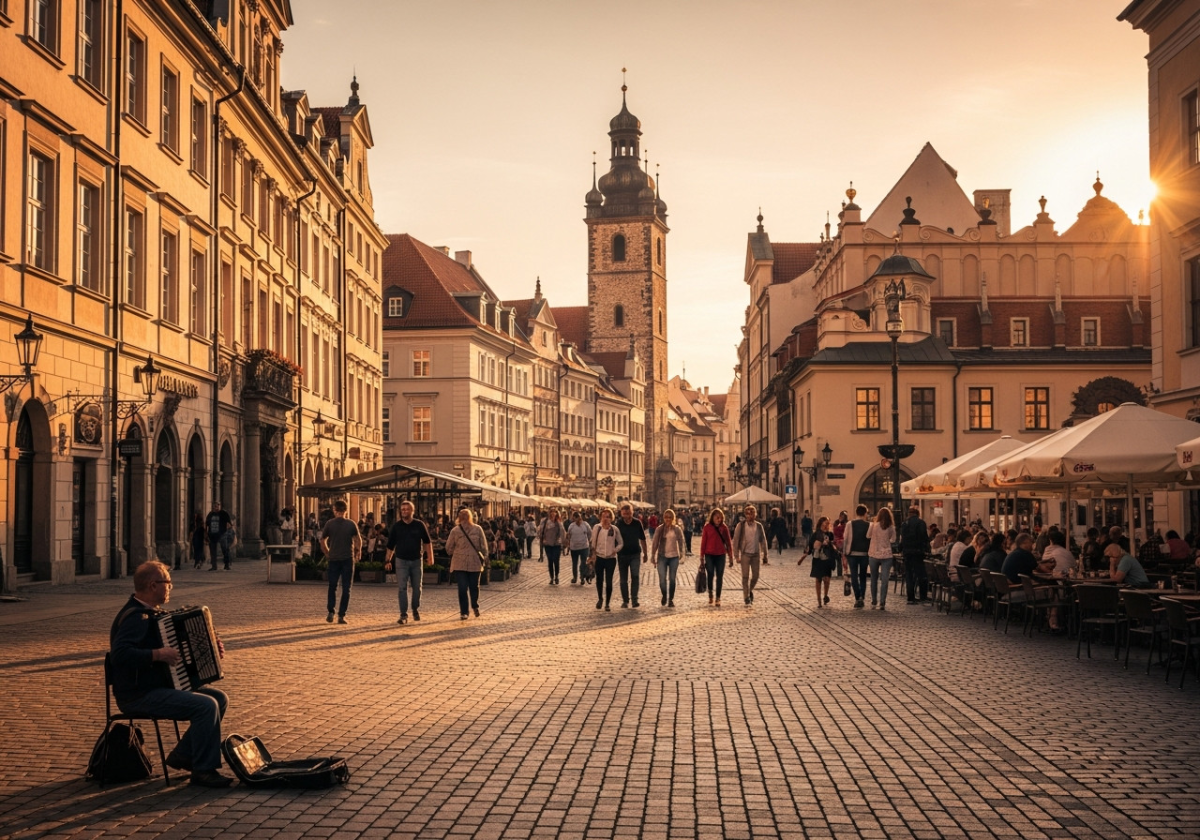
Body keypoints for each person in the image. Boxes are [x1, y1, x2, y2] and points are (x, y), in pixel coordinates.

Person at [109, 561, 232, 787]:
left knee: (219, 698)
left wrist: (212, 646)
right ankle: (204, 770)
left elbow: (181, 652)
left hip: (157, 686)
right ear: (153, 585)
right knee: (206, 706)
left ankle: (185, 756)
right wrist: (158, 654)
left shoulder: (153, 615)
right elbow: (120, 655)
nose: (171, 588)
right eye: (168, 583)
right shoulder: (136, 618)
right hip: (138, 694)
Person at [385, 500, 433, 625]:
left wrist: (430, 557)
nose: (404, 511)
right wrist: (387, 560)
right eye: (402, 510)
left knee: (417, 588)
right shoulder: (396, 526)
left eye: (407, 509)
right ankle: (403, 615)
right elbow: (390, 545)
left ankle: (415, 608)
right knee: (402, 588)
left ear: (412, 511)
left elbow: (427, 542)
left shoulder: (419, 525)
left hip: (417, 560)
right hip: (401, 561)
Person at [321, 499, 362, 624]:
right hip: (347, 559)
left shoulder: (329, 524)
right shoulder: (351, 524)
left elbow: (322, 540)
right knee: (346, 588)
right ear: (346, 510)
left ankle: (330, 611)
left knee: (332, 586)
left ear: (334, 510)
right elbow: (358, 539)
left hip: (333, 559)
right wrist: (358, 551)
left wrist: (328, 553)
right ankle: (341, 615)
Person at [445, 508, 489, 619]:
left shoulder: (478, 529)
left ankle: (474, 605)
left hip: (474, 563)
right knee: (462, 587)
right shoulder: (455, 531)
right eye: (462, 516)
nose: (464, 518)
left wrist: (484, 555)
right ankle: (464, 611)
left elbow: (484, 546)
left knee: (474, 586)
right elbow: (449, 547)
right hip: (460, 564)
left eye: (465, 516)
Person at [613, 503, 648, 608]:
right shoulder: (618, 524)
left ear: (632, 512)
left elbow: (642, 539)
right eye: (624, 513)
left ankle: (634, 599)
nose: (626, 515)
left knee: (635, 576)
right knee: (623, 579)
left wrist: (646, 553)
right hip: (622, 555)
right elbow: (613, 538)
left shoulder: (637, 523)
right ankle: (625, 600)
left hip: (635, 554)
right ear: (621, 514)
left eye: (628, 513)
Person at [733, 504, 768, 606]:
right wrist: (736, 555)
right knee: (745, 577)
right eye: (748, 514)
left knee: (756, 576)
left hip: (755, 554)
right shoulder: (741, 525)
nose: (750, 516)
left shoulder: (759, 526)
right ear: (745, 515)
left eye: (752, 513)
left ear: (755, 515)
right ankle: (746, 597)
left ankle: (749, 590)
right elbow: (736, 540)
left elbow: (763, 541)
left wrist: (765, 555)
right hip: (745, 554)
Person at [650, 509, 685, 607]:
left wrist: (682, 553)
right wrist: (653, 555)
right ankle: (664, 595)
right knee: (662, 579)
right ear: (664, 518)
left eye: (670, 517)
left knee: (672, 579)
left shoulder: (677, 529)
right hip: (662, 556)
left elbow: (681, 541)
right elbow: (655, 543)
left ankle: (670, 599)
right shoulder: (659, 529)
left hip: (674, 557)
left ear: (673, 518)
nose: (668, 519)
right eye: (666, 517)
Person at [590, 508, 623, 610]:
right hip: (599, 558)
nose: (605, 519)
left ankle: (607, 603)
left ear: (611, 518)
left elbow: (621, 543)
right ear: (600, 517)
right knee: (599, 580)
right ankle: (600, 599)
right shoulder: (597, 527)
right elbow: (593, 542)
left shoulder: (614, 529)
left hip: (610, 559)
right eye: (604, 516)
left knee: (609, 581)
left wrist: (615, 549)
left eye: (608, 517)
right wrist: (593, 555)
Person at [700, 508, 733, 606]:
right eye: (717, 517)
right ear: (712, 517)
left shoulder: (724, 528)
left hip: (721, 555)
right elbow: (703, 543)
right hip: (709, 554)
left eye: (720, 517)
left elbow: (728, 542)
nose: (719, 519)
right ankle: (710, 594)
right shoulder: (707, 527)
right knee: (710, 574)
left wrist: (731, 556)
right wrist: (702, 557)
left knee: (720, 576)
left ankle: (718, 597)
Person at [840, 505, 871, 609]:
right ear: (865, 513)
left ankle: (857, 597)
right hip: (864, 554)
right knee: (863, 576)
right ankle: (862, 596)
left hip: (852, 553)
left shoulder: (850, 524)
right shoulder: (869, 525)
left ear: (856, 512)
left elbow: (846, 538)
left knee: (854, 576)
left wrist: (844, 553)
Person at [899, 506, 931, 604]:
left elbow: (902, 538)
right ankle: (923, 596)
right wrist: (926, 549)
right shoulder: (921, 523)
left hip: (907, 552)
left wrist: (901, 549)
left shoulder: (904, 524)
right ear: (918, 514)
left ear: (909, 514)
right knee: (921, 574)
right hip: (918, 552)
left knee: (909, 575)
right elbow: (924, 537)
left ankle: (911, 597)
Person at [867, 508, 896, 610]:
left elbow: (868, 536)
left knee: (873, 579)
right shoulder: (891, 527)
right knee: (884, 579)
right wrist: (886, 540)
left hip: (874, 554)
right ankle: (882, 602)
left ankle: (874, 600)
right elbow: (893, 539)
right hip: (887, 555)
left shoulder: (873, 525)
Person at [808, 516, 836, 607]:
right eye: (825, 523)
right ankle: (819, 600)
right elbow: (810, 546)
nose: (827, 525)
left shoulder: (830, 534)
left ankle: (825, 595)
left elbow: (833, 545)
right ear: (821, 524)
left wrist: (829, 543)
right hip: (818, 559)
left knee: (827, 579)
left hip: (827, 559)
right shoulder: (815, 534)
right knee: (818, 579)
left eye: (828, 523)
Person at [538, 509, 566, 585]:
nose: (553, 515)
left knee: (556, 561)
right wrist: (542, 539)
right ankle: (551, 577)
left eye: (554, 514)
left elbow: (563, 533)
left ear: (556, 515)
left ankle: (556, 576)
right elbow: (540, 531)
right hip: (548, 544)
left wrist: (563, 542)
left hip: (557, 544)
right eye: (551, 514)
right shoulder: (545, 522)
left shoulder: (559, 523)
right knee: (550, 561)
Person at [566, 511, 592, 585]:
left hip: (584, 547)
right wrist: (568, 545)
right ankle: (575, 577)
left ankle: (582, 577)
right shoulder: (571, 526)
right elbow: (568, 536)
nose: (577, 519)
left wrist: (590, 543)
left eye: (578, 517)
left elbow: (590, 534)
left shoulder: (585, 525)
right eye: (575, 518)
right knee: (574, 563)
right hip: (574, 548)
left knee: (583, 563)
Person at [205, 502, 232, 571]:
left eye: (217, 506)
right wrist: (206, 534)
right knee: (213, 551)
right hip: (212, 535)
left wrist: (226, 531)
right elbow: (207, 524)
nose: (215, 508)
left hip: (222, 534)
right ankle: (214, 566)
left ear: (219, 506)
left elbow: (229, 523)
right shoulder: (210, 514)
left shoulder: (223, 513)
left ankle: (227, 564)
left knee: (225, 549)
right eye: (214, 507)